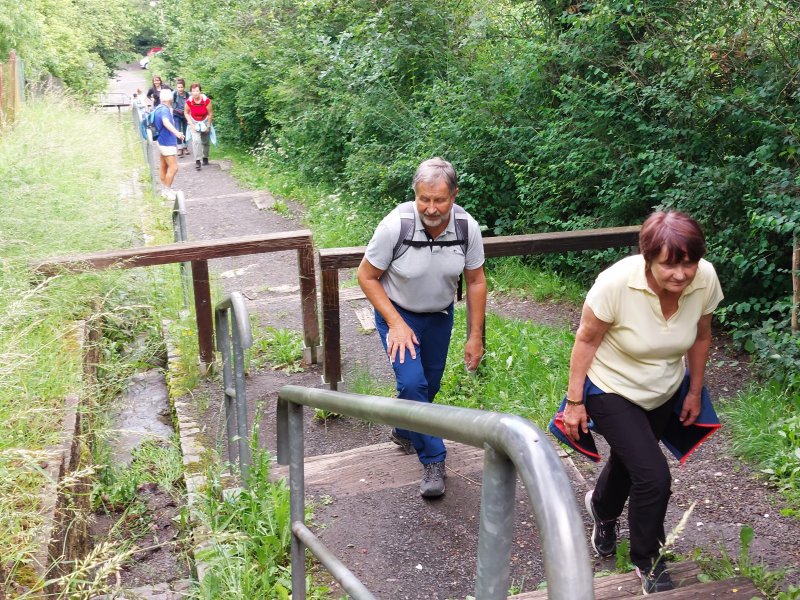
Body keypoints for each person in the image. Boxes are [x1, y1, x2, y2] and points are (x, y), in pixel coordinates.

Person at [561, 210, 723, 594]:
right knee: (653, 475)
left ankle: (602, 508)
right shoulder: (616, 284)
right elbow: (585, 339)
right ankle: (648, 559)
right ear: (648, 257)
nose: (682, 274)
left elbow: (701, 336)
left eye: (690, 262)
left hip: (663, 388)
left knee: (631, 460)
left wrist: (695, 390)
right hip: (610, 387)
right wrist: (574, 401)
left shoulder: (705, 279)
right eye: (670, 264)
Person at [357, 157, 487, 498]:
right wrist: (396, 323)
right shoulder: (394, 226)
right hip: (398, 314)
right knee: (413, 382)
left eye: (439, 200)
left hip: (439, 316)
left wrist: (476, 336)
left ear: (454, 195)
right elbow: (366, 276)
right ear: (415, 194)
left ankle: (404, 427)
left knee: (428, 385)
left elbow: (475, 281)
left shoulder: (465, 227)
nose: (430, 208)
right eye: (423, 199)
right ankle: (433, 460)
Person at [153, 89, 185, 200]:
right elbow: (166, 122)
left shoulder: (158, 108)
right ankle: (166, 191)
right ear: (170, 98)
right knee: (174, 167)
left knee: (164, 165)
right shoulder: (164, 110)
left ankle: (165, 188)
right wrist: (177, 133)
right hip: (166, 142)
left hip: (161, 140)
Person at [184, 82, 213, 170]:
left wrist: (208, 126)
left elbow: (210, 113)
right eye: (193, 91)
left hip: (204, 120)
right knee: (196, 141)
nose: (195, 93)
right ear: (191, 92)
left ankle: (205, 157)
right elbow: (186, 112)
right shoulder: (189, 101)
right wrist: (190, 124)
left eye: (197, 91)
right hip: (194, 121)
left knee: (205, 141)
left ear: (200, 91)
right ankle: (197, 160)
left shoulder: (206, 100)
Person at [172, 79, 190, 157]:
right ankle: (179, 148)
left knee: (186, 131)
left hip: (185, 115)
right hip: (176, 114)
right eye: (178, 87)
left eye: (181, 87)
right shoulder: (174, 94)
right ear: (176, 87)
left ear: (184, 87)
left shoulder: (188, 95)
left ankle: (185, 147)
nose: (180, 89)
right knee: (178, 130)